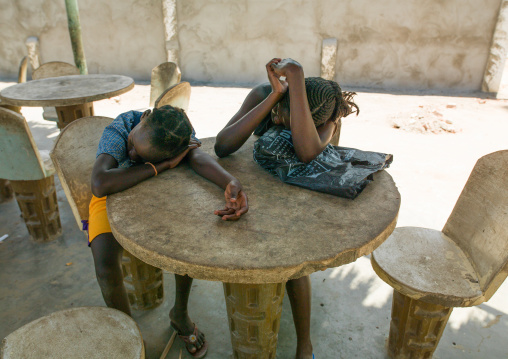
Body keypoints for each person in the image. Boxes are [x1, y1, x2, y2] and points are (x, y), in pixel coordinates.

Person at [214, 58, 358, 359]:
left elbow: (307, 153)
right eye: (283, 112)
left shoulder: (328, 121)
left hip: (299, 196)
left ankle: (304, 345)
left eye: (290, 120)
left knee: (295, 258)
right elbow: (223, 146)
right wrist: (275, 96)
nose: (278, 119)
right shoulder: (264, 95)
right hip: (260, 183)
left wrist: (296, 72)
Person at [89, 105, 249, 358]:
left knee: (182, 247)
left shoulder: (179, 136)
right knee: (105, 266)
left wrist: (230, 183)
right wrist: (159, 166)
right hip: (113, 192)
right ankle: (129, 334)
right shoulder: (123, 126)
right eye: (132, 145)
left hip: (161, 192)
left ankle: (179, 313)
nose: (131, 153)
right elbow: (100, 183)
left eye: (141, 155)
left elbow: (197, 158)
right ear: (143, 118)